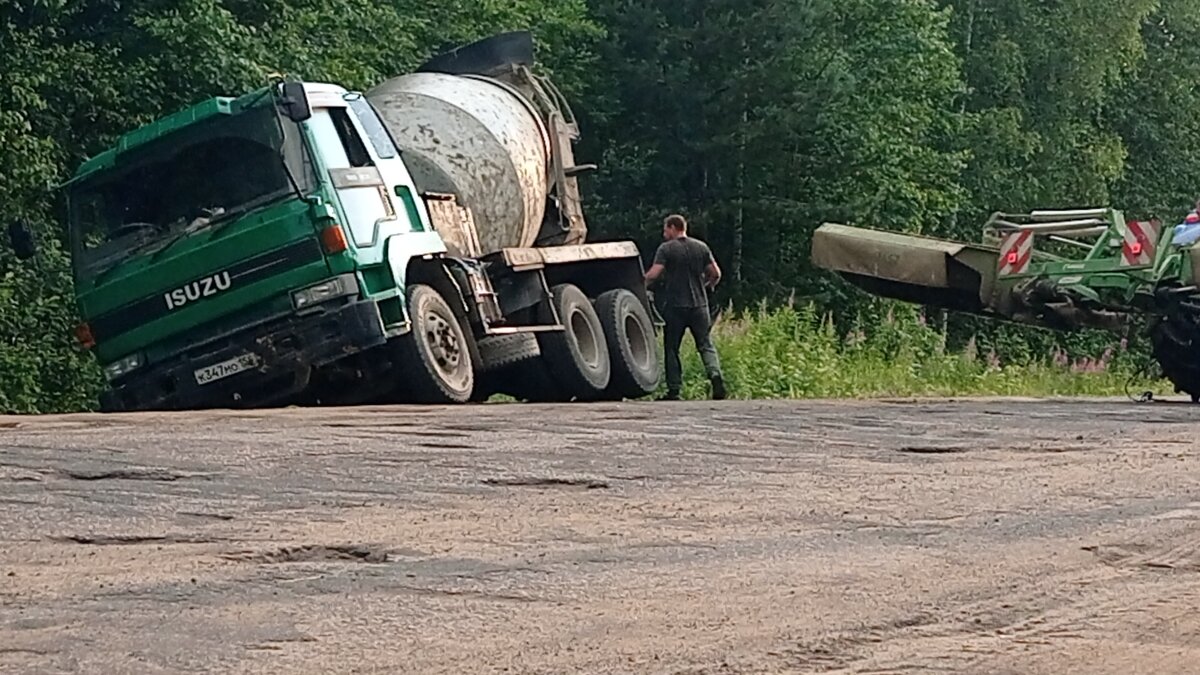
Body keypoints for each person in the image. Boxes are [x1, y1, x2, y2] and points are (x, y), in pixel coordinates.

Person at [644, 214, 727, 401]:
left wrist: (640, 283)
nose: (664, 233)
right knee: (705, 344)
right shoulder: (701, 247)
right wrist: (707, 285)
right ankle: (715, 376)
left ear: (673, 227)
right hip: (700, 306)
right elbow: (716, 273)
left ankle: (674, 390)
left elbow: (654, 274)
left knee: (672, 348)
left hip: (676, 306)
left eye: (665, 229)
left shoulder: (666, 249)